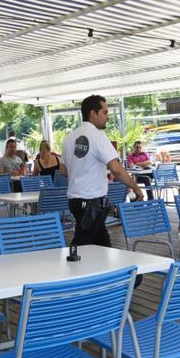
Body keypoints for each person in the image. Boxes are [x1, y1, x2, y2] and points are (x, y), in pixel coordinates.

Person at [61, 94, 144, 250]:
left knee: (102, 246)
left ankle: (109, 267)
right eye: (104, 112)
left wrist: (84, 168)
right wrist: (135, 187)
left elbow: (63, 171)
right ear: (93, 113)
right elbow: (116, 169)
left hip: (75, 201)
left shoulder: (69, 138)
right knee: (81, 248)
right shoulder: (98, 136)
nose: (107, 117)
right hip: (91, 201)